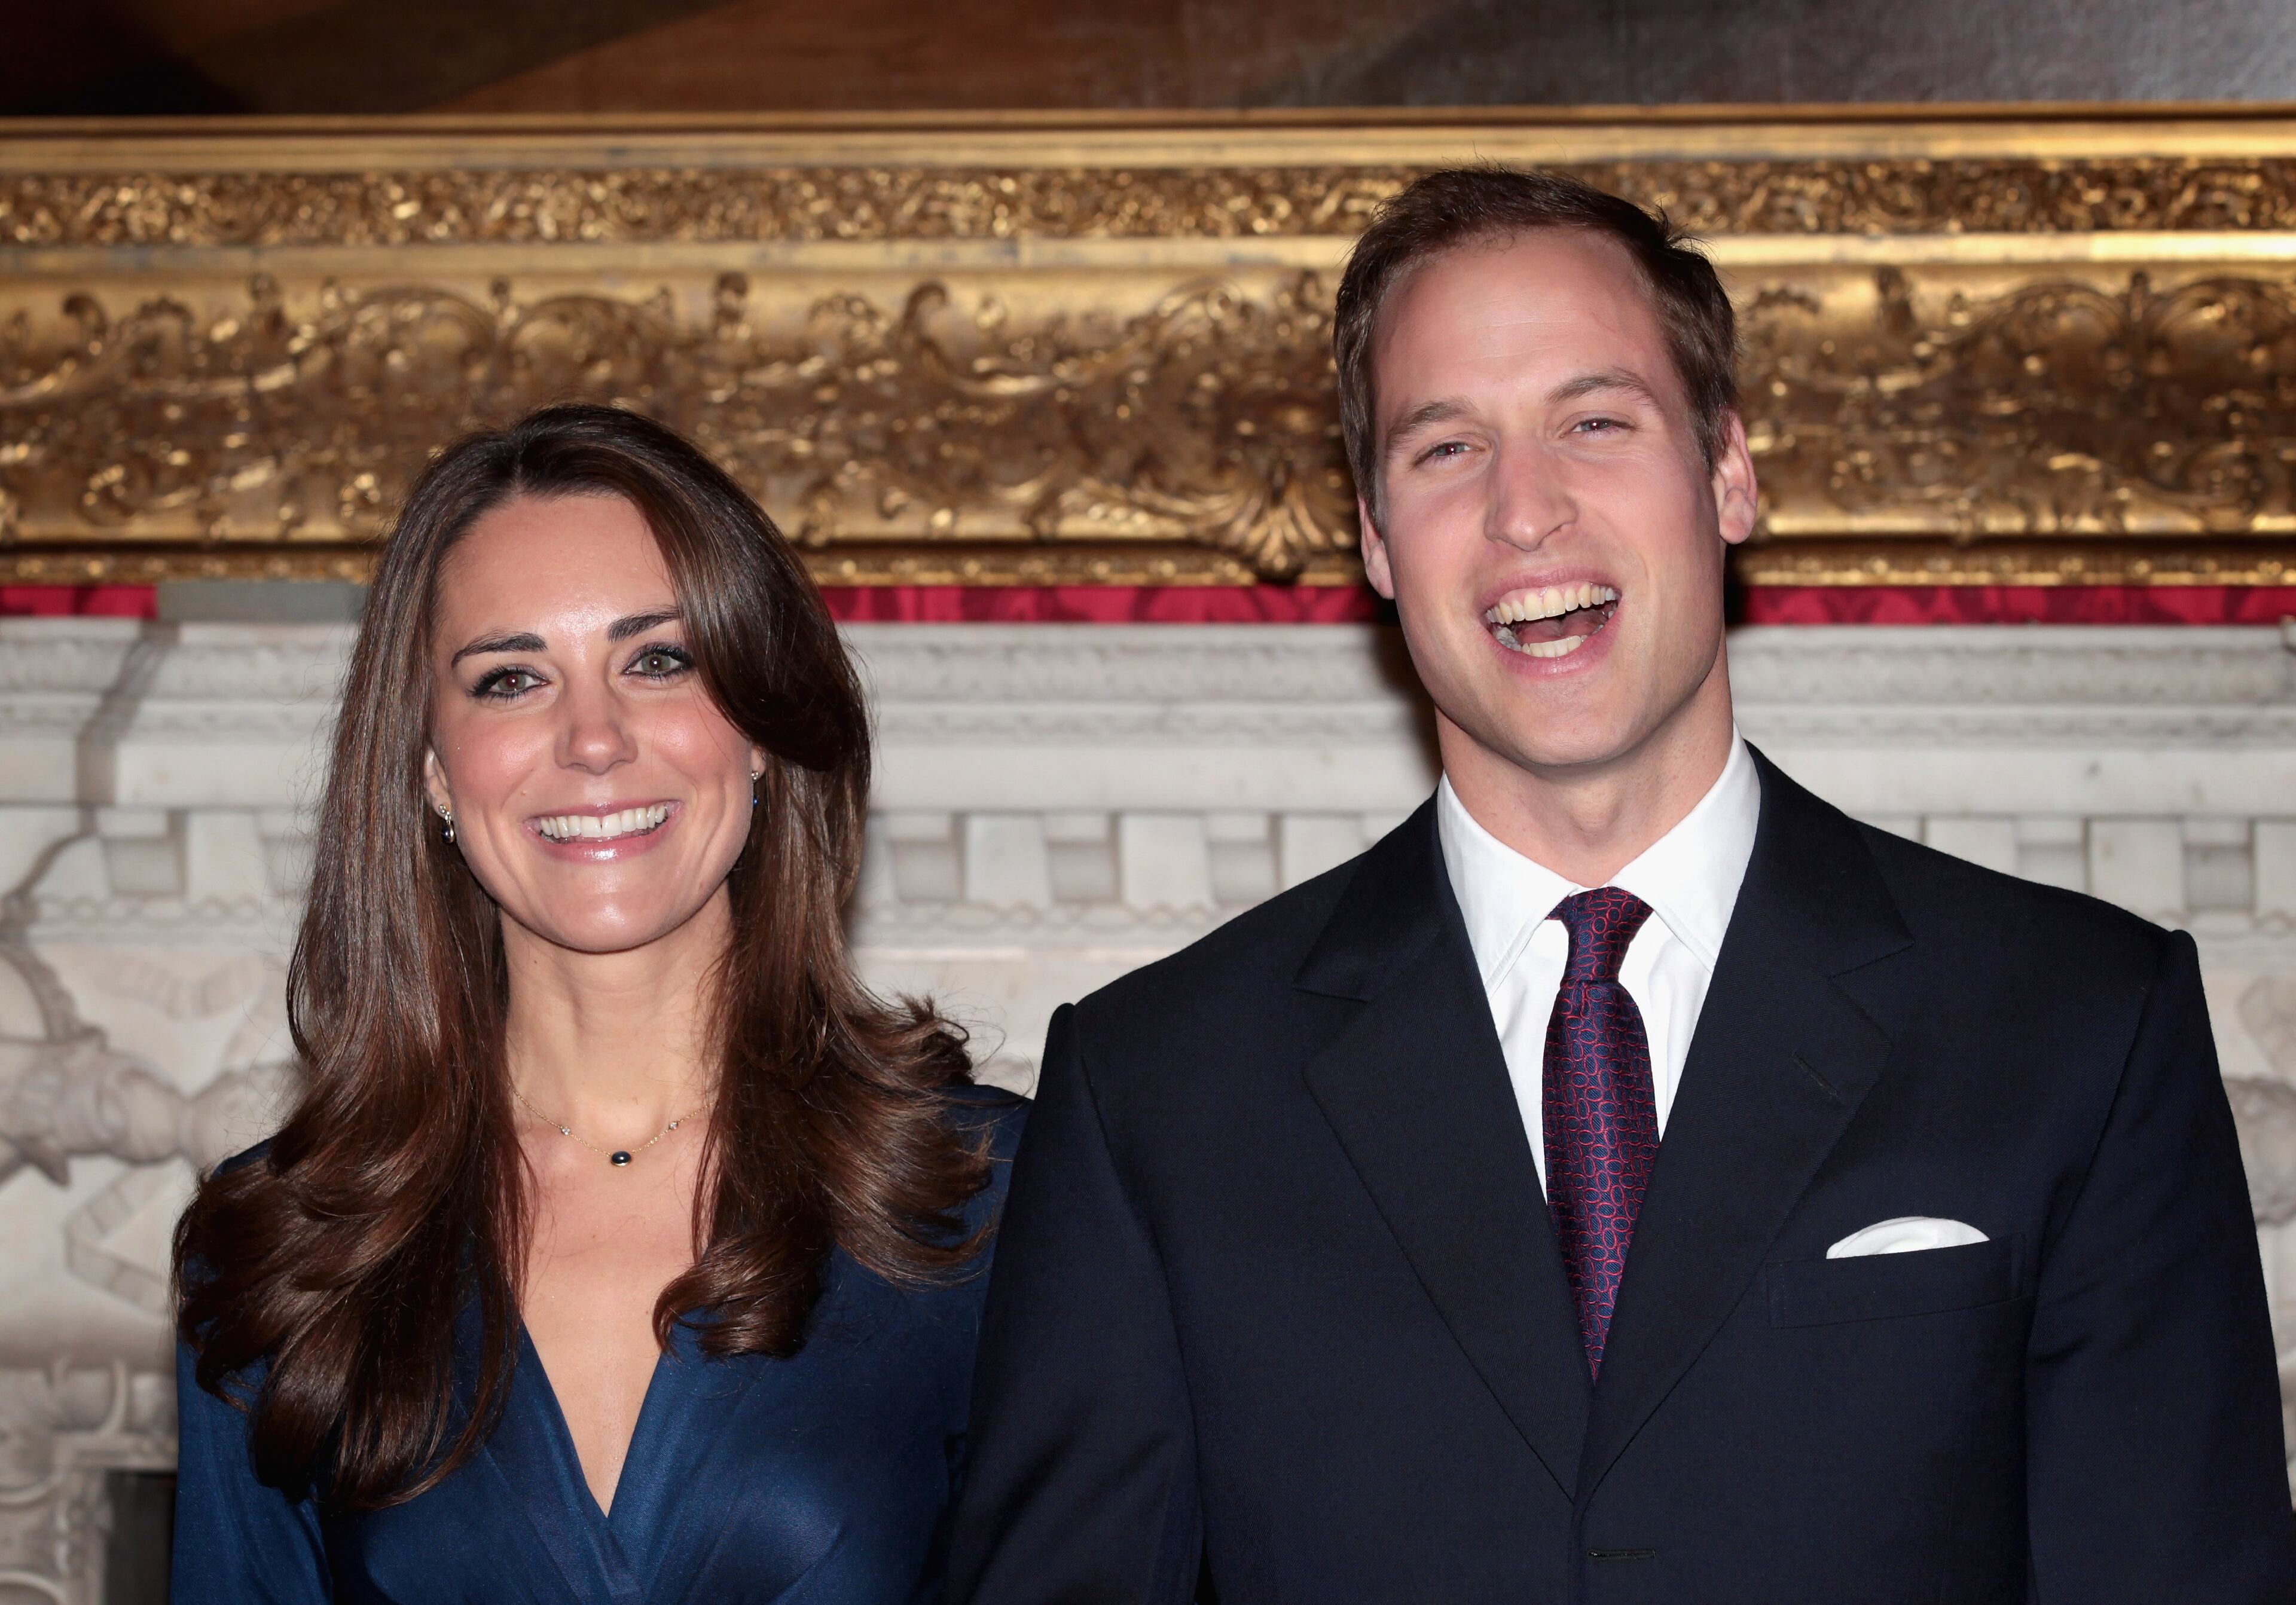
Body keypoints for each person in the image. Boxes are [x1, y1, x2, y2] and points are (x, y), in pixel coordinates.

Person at [946, 169, 2296, 1603]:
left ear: (1729, 471)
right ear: (1375, 538)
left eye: (1596, 421)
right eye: (1446, 445)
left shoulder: (2082, 1023)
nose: (1526, 509)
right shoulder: (1155, 1089)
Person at [171, 404, 1020, 1603]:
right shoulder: (282, 1249)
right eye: (512, 678)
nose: (593, 738)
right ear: (429, 767)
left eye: (658, 659)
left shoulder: (994, 1205)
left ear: (762, 725)